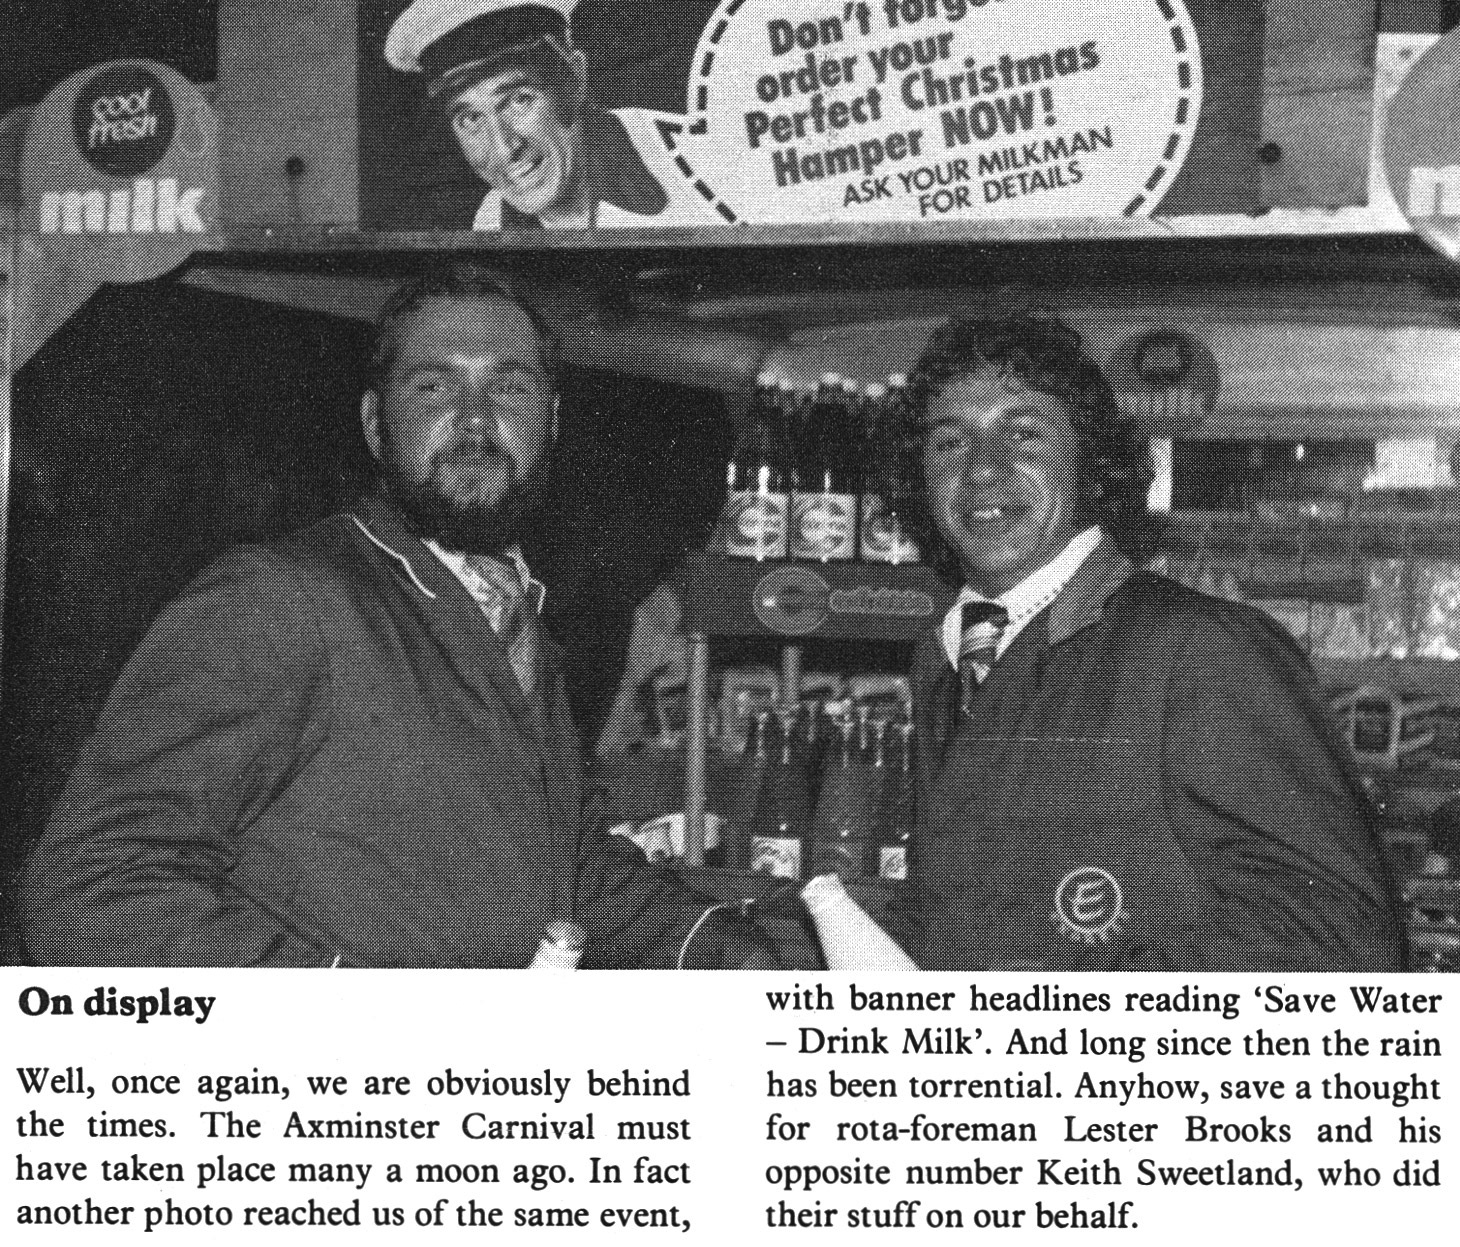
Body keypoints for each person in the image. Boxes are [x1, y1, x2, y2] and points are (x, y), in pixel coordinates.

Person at [21, 262, 773, 969]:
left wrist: (736, 950)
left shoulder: (514, 614)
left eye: (508, 388)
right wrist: (360, 1017)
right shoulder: (281, 600)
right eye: (434, 389)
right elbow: (92, 888)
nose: (475, 421)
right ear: (376, 423)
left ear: (552, 420)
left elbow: (572, 873)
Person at [889, 312, 1405, 972]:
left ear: (1090, 463)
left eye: (1022, 434)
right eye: (949, 443)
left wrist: (1072, 993)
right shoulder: (945, 660)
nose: (983, 470)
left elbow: (1343, 939)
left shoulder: (1203, 650)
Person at [385, 0, 719, 229]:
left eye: (519, 100)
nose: (503, 148)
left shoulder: (686, 159)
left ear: (575, 78)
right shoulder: (492, 220)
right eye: (470, 120)